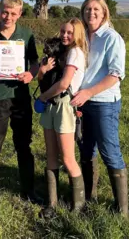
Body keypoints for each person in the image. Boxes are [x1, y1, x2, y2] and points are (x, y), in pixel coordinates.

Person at [0, 0, 42, 204]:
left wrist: (31, 74)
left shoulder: (27, 34)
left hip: (20, 97)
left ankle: (28, 191)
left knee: (23, 144)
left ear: (20, 13)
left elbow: (35, 62)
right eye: (5, 13)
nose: (8, 17)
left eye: (13, 14)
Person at [70, 0, 129, 216]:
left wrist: (88, 92)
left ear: (104, 12)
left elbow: (116, 74)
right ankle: (88, 196)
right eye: (87, 9)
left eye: (96, 9)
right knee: (85, 149)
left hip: (104, 102)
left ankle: (122, 211)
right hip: (82, 102)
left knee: (109, 151)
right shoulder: (82, 35)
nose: (91, 13)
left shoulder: (112, 38)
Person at [36, 18, 88, 217]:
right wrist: (42, 71)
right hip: (51, 105)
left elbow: (65, 83)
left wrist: (42, 97)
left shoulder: (75, 53)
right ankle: (52, 203)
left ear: (77, 35)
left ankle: (78, 206)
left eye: (70, 33)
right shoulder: (59, 52)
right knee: (50, 155)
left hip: (64, 105)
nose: (65, 36)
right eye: (63, 31)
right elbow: (43, 78)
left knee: (67, 158)